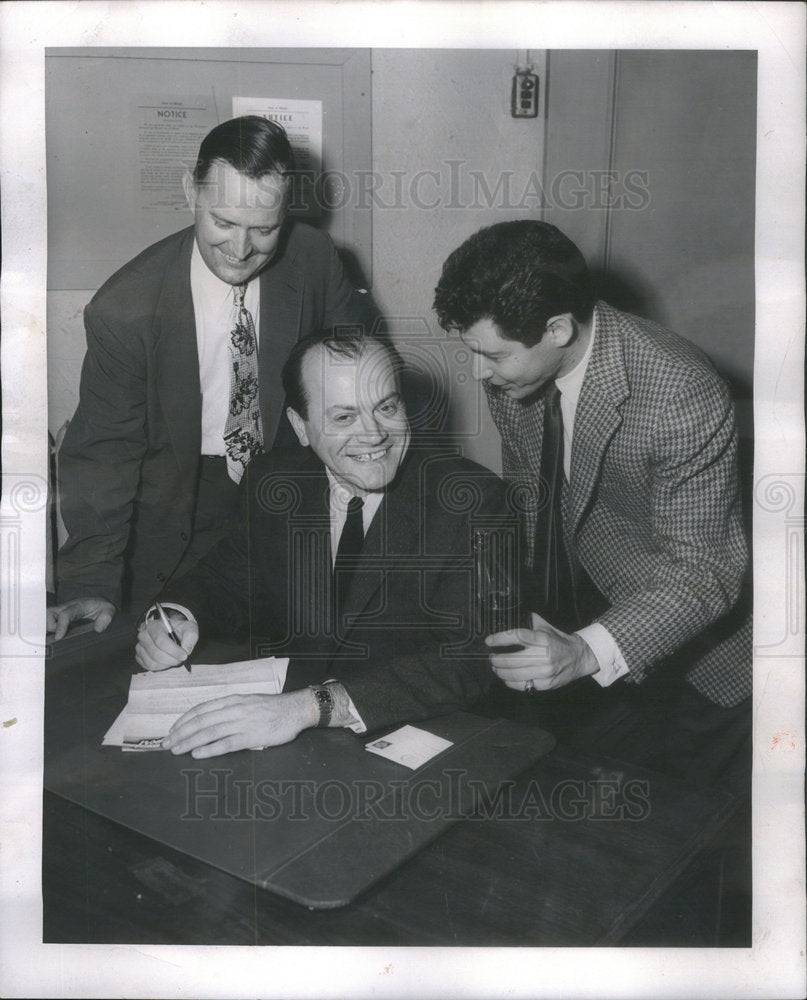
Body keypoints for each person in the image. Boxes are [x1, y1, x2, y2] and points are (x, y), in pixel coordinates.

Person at [433, 220, 751, 787]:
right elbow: (531, 499)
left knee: (684, 835)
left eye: (494, 356)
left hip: (707, 660)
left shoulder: (679, 391)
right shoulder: (517, 371)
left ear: (557, 329)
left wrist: (584, 651)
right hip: (589, 622)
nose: (479, 372)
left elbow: (707, 570)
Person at [48, 116, 377, 640]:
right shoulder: (125, 307)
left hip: (288, 496)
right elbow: (105, 453)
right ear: (190, 191)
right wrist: (90, 580)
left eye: (264, 229)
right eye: (222, 222)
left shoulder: (314, 259)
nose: (241, 249)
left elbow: (361, 380)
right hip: (173, 510)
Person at [134, 329, 514, 757]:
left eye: (386, 407)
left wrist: (309, 708)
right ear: (301, 427)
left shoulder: (473, 500)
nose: (374, 435)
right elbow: (226, 577)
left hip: (423, 744)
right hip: (285, 742)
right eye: (343, 418)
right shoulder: (274, 482)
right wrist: (176, 616)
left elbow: (471, 659)